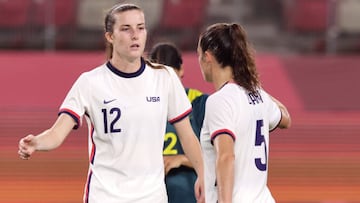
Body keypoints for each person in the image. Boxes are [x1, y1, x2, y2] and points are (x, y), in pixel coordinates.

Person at [18, 3, 205, 203]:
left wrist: (204, 174)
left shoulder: (164, 77)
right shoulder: (90, 83)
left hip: (152, 197)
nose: (135, 35)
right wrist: (37, 142)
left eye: (140, 27)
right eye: (126, 29)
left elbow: (187, 135)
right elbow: (57, 133)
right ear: (110, 36)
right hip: (105, 196)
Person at [197, 23, 291, 203]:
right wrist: (254, 87)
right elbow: (285, 118)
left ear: (208, 57)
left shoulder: (220, 101)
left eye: (199, 55)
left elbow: (226, 156)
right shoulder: (259, 96)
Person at [148, 42, 208, 203]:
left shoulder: (200, 103)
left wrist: (182, 159)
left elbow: (224, 155)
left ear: (181, 70)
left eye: (170, 77)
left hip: (189, 194)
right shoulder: (142, 107)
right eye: (159, 78)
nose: (166, 85)